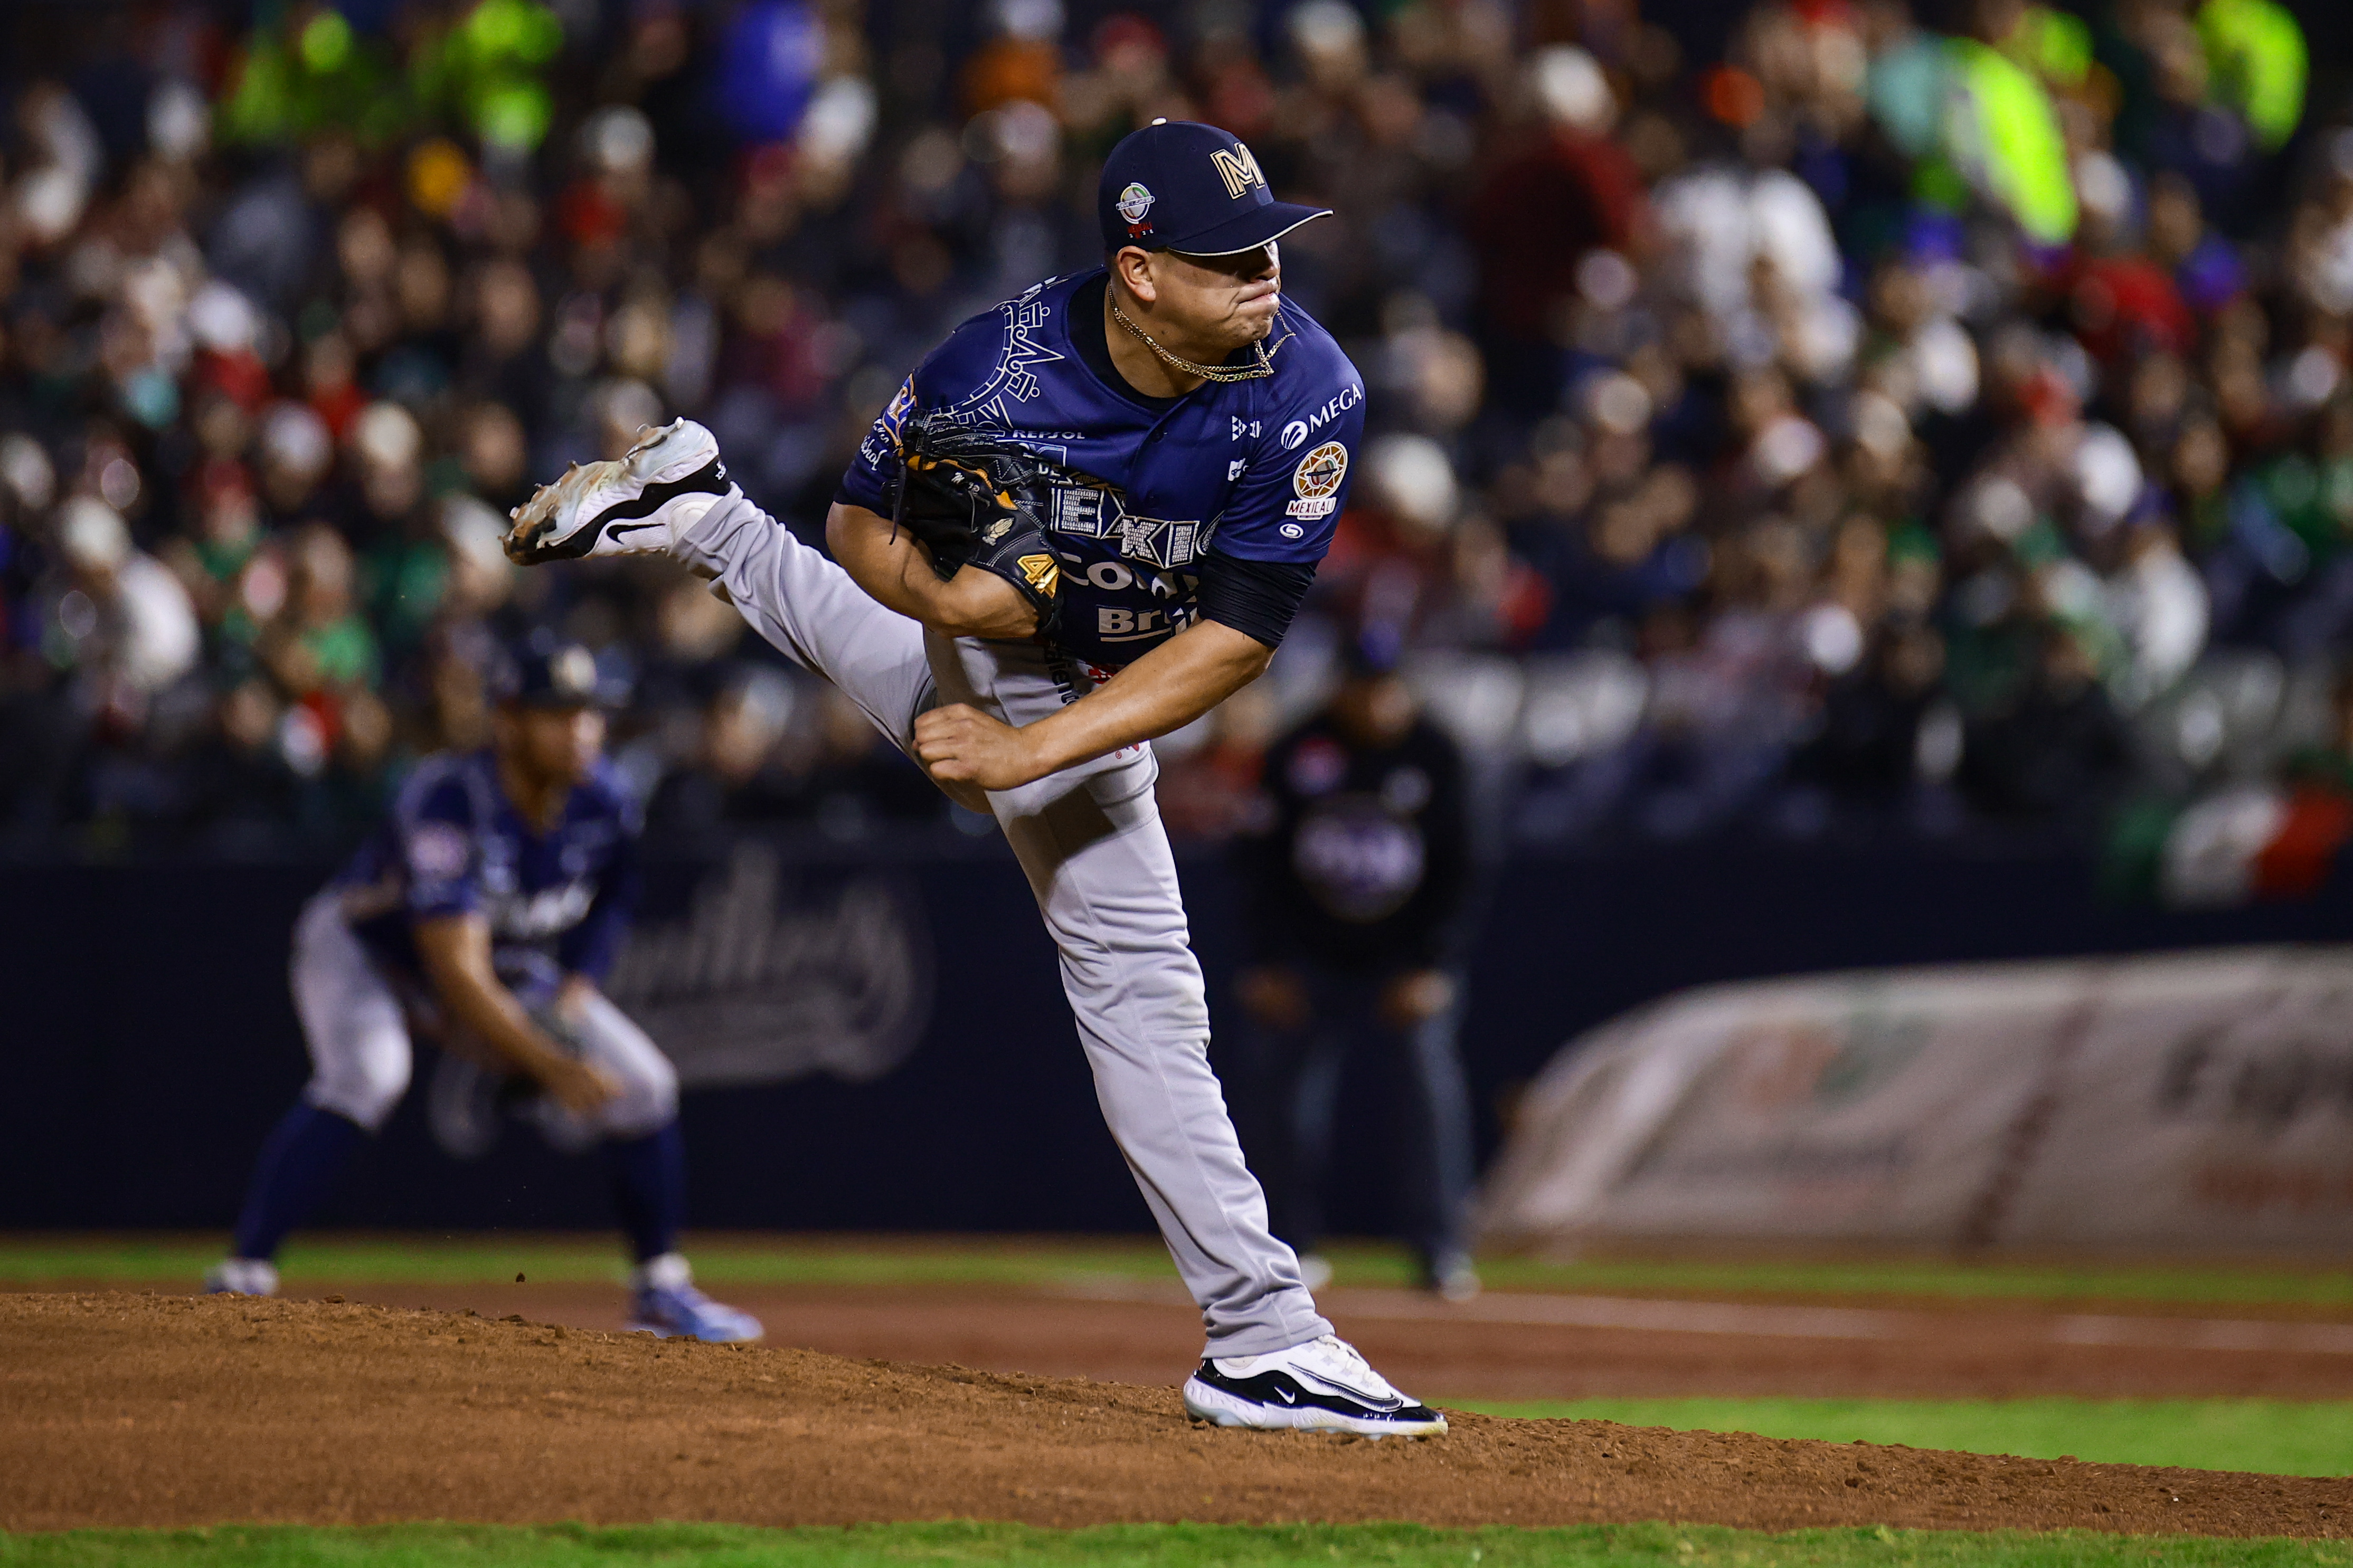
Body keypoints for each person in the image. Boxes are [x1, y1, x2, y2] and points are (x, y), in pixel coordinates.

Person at [504, 119, 1445, 1437]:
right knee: (1139, 981)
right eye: (1226, 257)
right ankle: (1259, 1332)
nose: (1264, 277)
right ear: (1137, 269)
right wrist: (960, 606)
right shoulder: (993, 370)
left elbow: (1234, 639)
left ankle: (704, 511)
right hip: (1022, 641)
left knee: (962, 732)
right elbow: (858, 526)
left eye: (1268, 247)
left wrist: (1017, 749)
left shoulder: (1309, 389)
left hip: (1111, 667)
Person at [204, 642, 762, 1345]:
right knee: (369, 1075)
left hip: (501, 960)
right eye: (557, 714)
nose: (580, 730)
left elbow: (617, 897)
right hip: (366, 950)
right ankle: (244, 1271)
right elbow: (454, 975)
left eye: (588, 714)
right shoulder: (450, 800)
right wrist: (548, 1062)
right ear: (508, 719)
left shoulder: (605, 798)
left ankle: (660, 1289)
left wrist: (577, 983)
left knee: (646, 1084)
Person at [1233, 638, 1480, 1301]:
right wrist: (1268, 962)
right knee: (1284, 1105)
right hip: (1312, 959)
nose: (1378, 701)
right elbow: (1259, 866)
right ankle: (1284, 1247)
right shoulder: (1297, 751)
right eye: (1366, 685)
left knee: (1430, 1094)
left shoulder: (1435, 752)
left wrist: (1431, 964)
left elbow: (1462, 869)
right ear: (1340, 686)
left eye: (1388, 686)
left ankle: (1440, 1247)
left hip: (1402, 961)